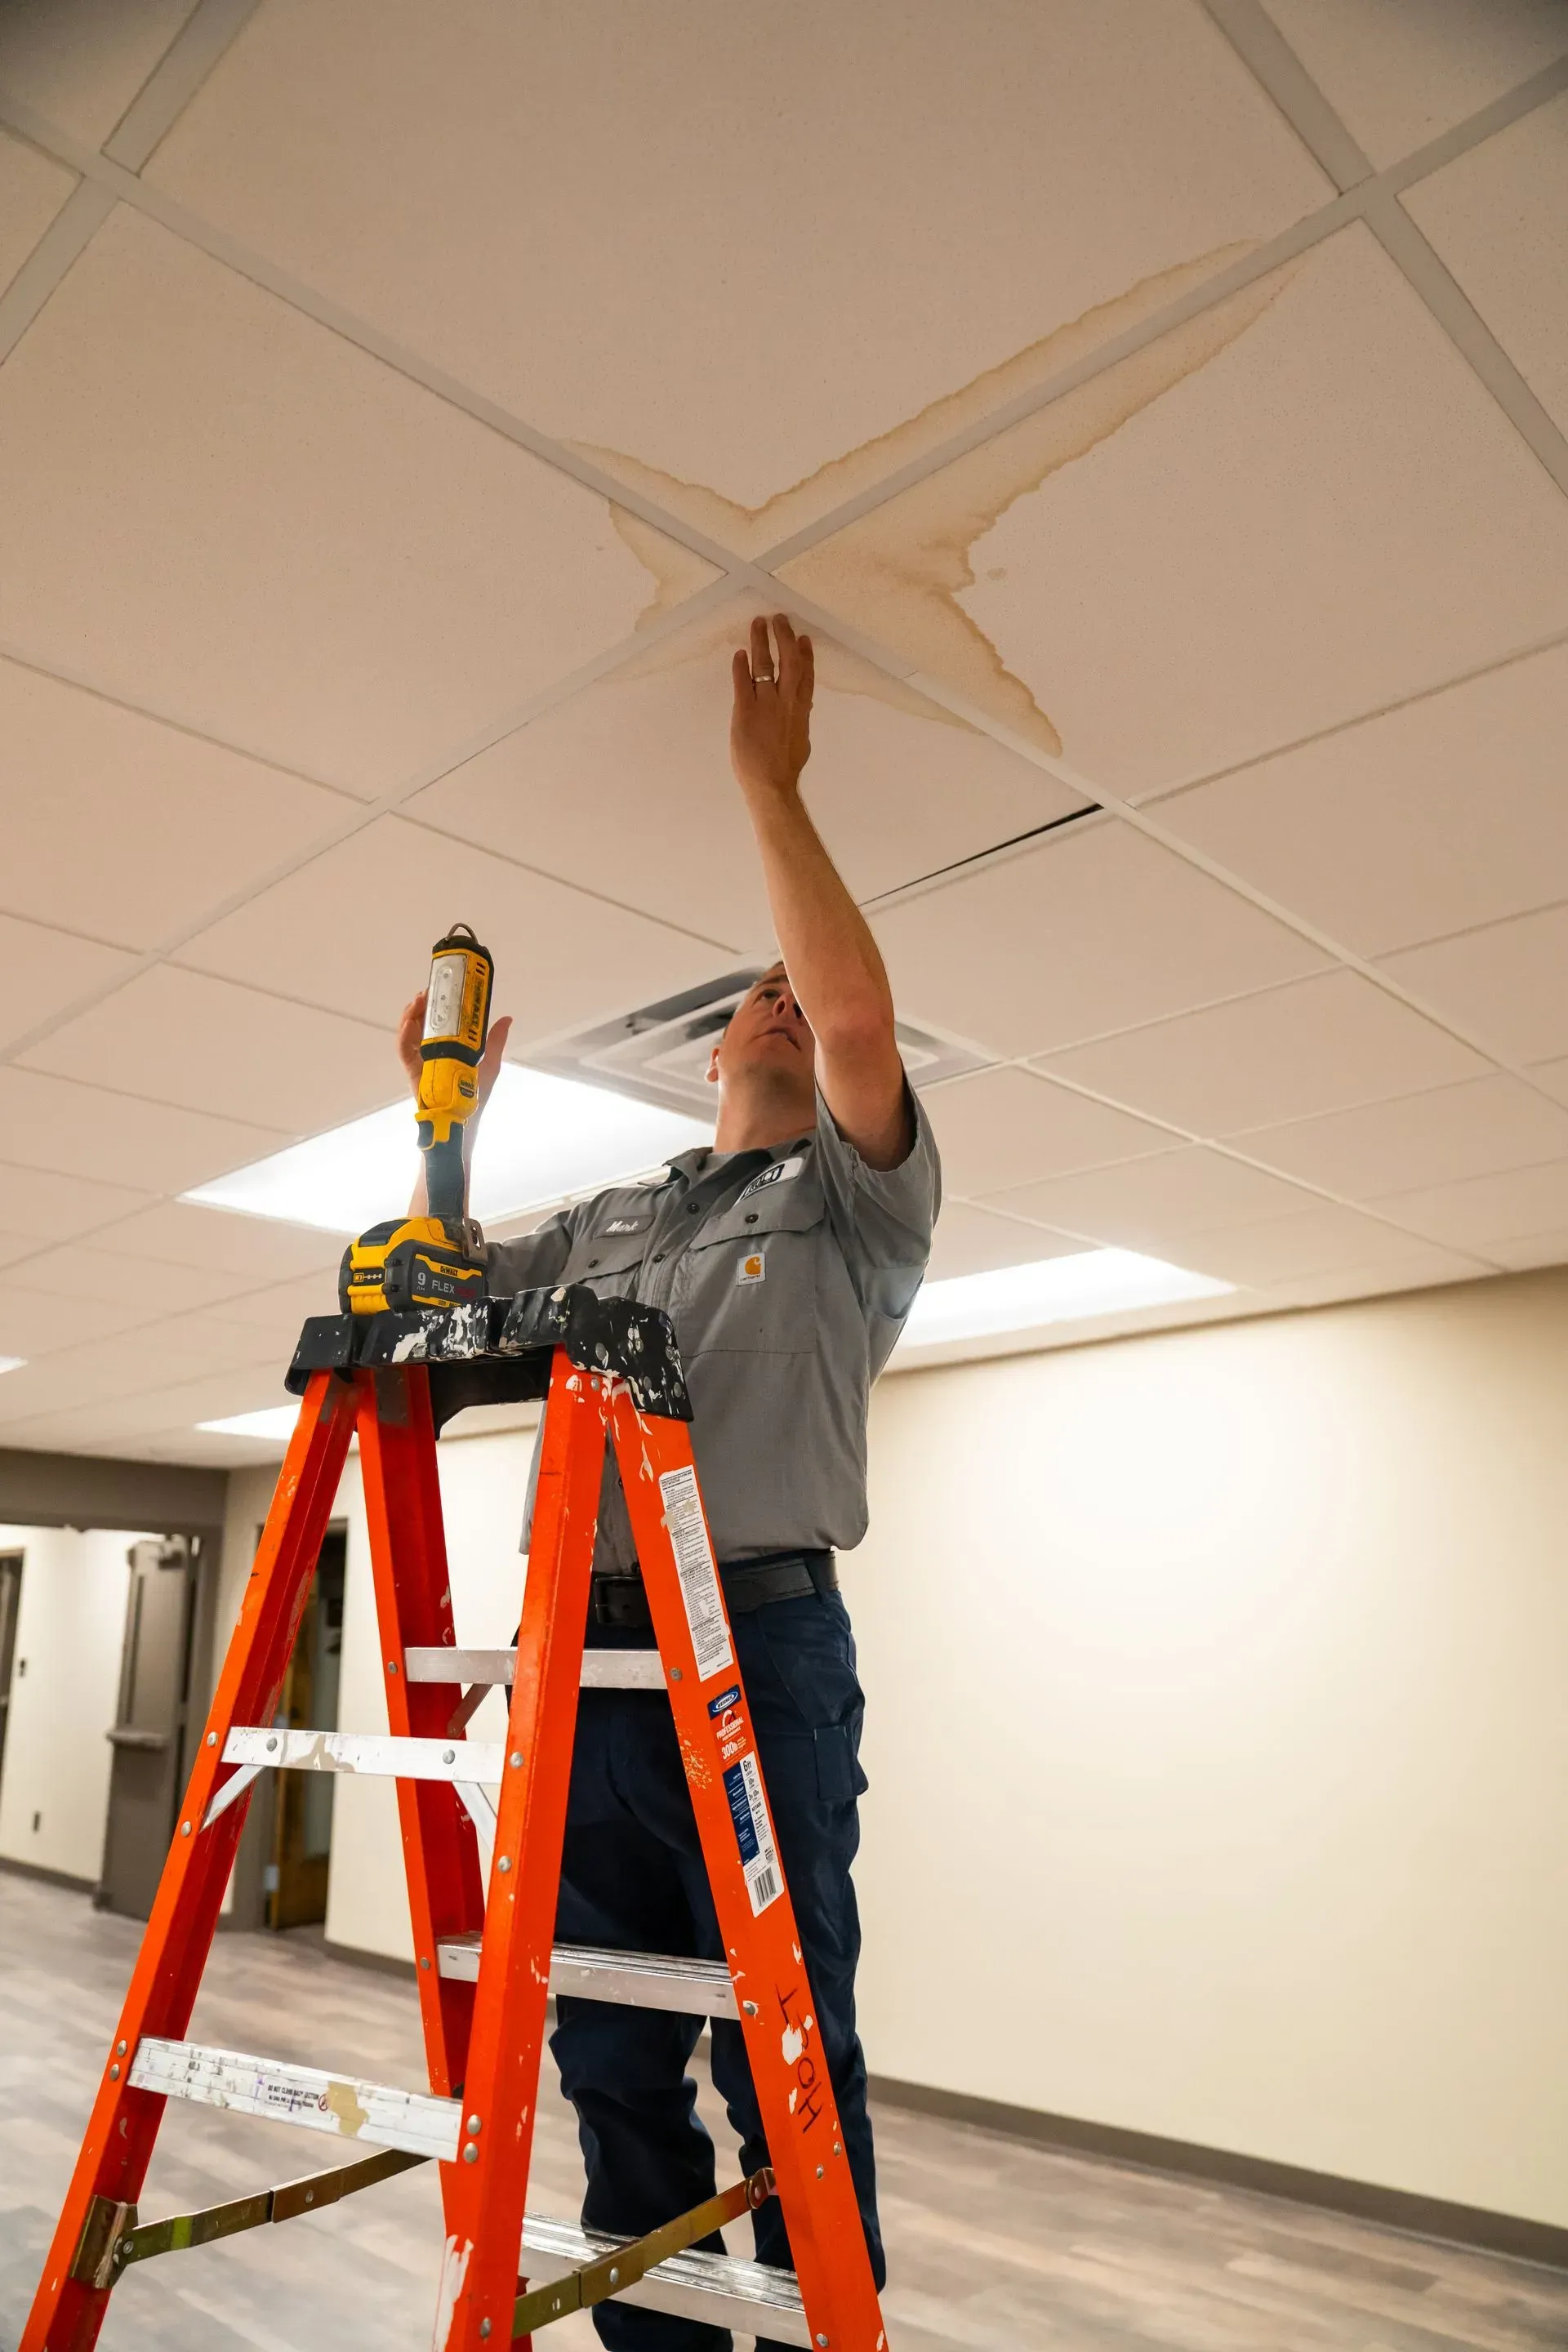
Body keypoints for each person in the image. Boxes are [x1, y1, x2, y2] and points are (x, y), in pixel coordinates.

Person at [397, 612, 940, 2350]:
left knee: (785, 2046)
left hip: (759, 1664)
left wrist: (766, 783)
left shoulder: (857, 1205)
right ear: (708, 1061)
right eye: (749, 1001)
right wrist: (445, 1116)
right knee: (607, 2052)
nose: (778, 1001)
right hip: (592, 1678)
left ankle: (814, 2331)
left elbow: (856, 1012)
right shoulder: (619, 1221)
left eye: (791, 987)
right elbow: (441, 1285)